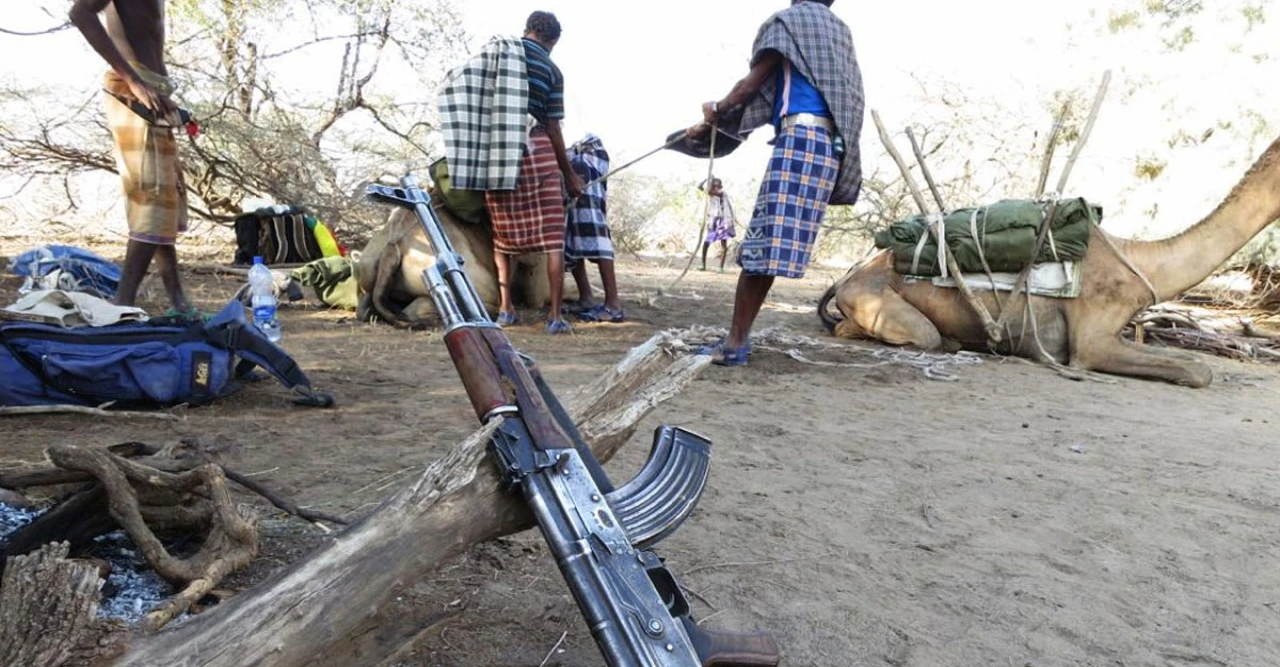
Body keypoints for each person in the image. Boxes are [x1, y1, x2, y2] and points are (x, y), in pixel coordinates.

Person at [687, 0, 864, 366]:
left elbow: (749, 88)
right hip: (828, 149)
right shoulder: (839, 32)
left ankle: (734, 345)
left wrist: (716, 110)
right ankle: (738, 339)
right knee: (767, 252)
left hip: (799, 139)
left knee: (760, 248)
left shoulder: (789, 21)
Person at [69, 0, 197, 321]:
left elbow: (149, 39)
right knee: (152, 198)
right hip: (131, 88)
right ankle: (122, 300)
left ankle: (178, 300)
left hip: (151, 91)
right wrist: (136, 82)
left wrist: (162, 93)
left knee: (164, 199)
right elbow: (80, 13)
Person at [483, 11, 585, 334]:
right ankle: (554, 316)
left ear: (526, 30)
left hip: (498, 154)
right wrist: (569, 175)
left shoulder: (498, 54)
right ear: (553, 41)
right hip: (537, 152)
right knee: (553, 239)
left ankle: (505, 310)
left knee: (502, 237)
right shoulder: (552, 70)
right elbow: (553, 126)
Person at [564, 134, 626, 323]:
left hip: (583, 152)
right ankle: (586, 297)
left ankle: (613, 305)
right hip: (570, 152)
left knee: (592, 224)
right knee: (571, 234)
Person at [699, 177, 737, 273]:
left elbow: (718, 193)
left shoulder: (723, 194)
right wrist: (707, 178)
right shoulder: (711, 194)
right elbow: (699, 187)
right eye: (714, 186)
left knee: (724, 244)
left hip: (724, 220)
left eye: (717, 186)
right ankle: (703, 264)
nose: (716, 188)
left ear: (720, 186)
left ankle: (720, 267)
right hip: (714, 220)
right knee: (707, 242)